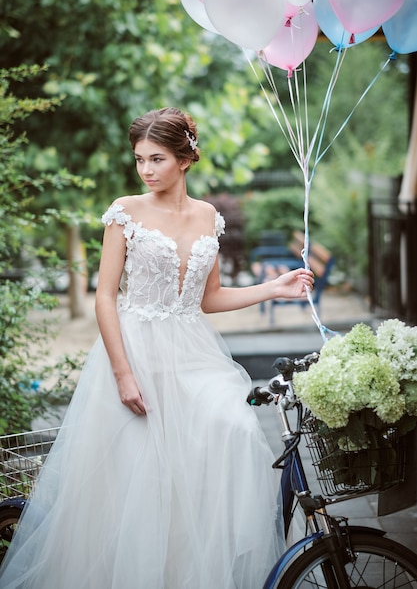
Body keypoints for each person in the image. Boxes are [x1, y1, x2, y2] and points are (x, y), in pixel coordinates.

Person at [0, 107, 314, 589]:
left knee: (234, 430)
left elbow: (208, 297)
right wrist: (123, 373)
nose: (146, 170)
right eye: (140, 159)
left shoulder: (208, 215)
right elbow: (104, 296)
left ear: (185, 159)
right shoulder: (126, 212)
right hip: (134, 351)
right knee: (142, 483)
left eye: (157, 158)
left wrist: (274, 288)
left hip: (194, 352)